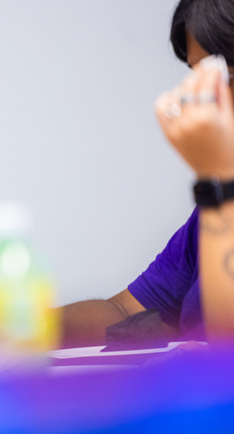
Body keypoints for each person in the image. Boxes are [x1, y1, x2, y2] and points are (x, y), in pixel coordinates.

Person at [61, 0, 234, 347]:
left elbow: (225, 356)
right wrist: (14, 327)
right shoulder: (210, 213)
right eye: (198, 77)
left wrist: (217, 181)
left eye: (222, 77)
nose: (204, 101)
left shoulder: (221, 194)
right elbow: (126, 311)